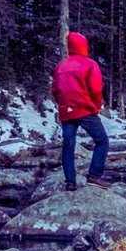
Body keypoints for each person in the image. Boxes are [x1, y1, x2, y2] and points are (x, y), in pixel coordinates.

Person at [52, 31, 108, 190]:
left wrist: (63, 105)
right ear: (84, 46)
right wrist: (96, 107)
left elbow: (55, 89)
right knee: (102, 140)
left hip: (66, 111)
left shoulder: (61, 65)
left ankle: (70, 182)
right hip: (84, 109)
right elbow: (96, 89)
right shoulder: (89, 64)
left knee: (68, 145)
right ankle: (94, 176)